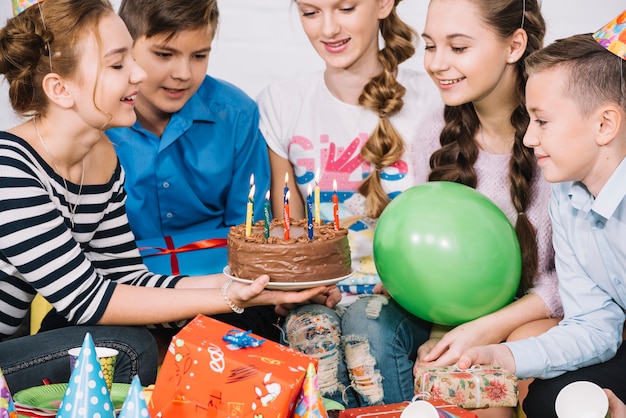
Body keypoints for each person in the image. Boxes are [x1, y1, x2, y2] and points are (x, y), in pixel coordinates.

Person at [0, 0, 331, 394]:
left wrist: (249, 288)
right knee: (124, 348)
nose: (138, 74)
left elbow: (128, 278)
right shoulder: (10, 167)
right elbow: (88, 300)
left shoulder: (102, 158)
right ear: (60, 88)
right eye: (119, 64)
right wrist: (227, 295)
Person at [333, 0, 556, 414]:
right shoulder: (436, 128)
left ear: (514, 45)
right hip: (451, 315)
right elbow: (432, 244)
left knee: (491, 378)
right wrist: (410, 282)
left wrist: (481, 331)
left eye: (458, 47)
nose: (436, 64)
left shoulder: (558, 134)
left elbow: (579, 284)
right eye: (430, 46)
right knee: (370, 321)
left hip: (531, 319)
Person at [256, 0, 444, 408]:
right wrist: (299, 283)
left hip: (407, 298)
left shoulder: (433, 97)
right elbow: (288, 223)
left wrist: (408, 283)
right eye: (310, 12)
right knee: (311, 331)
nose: (328, 28)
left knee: (367, 329)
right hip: (323, 293)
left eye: (345, 8)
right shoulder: (282, 102)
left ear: (382, 5)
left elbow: (448, 218)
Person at [456, 30, 626, 417]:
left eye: (542, 120)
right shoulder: (566, 197)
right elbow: (594, 326)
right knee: (548, 400)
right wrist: (501, 356)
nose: (529, 137)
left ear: (604, 125)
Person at [103, 0, 288, 344]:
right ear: (125, 48)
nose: (183, 73)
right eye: (164, 54)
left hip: (225, 293)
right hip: (125, 296)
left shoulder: (236, 113)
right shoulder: (97, 118)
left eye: (199, 56)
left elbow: (251, 232)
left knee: (257, 330)